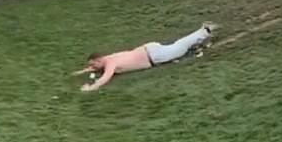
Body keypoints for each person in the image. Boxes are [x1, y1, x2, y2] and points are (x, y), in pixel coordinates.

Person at [75, 22, 217, 92]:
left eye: (93, 65)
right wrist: (83, 71)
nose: (93, 68)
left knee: (180, 47)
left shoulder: (110, 63)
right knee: (178, 46)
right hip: (149, 49)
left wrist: (91, 88)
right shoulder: (107, 58)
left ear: (100, 60)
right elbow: (97, 67)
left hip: (153, 56)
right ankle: (202, 33)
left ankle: (204, 31)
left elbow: (105, 78)